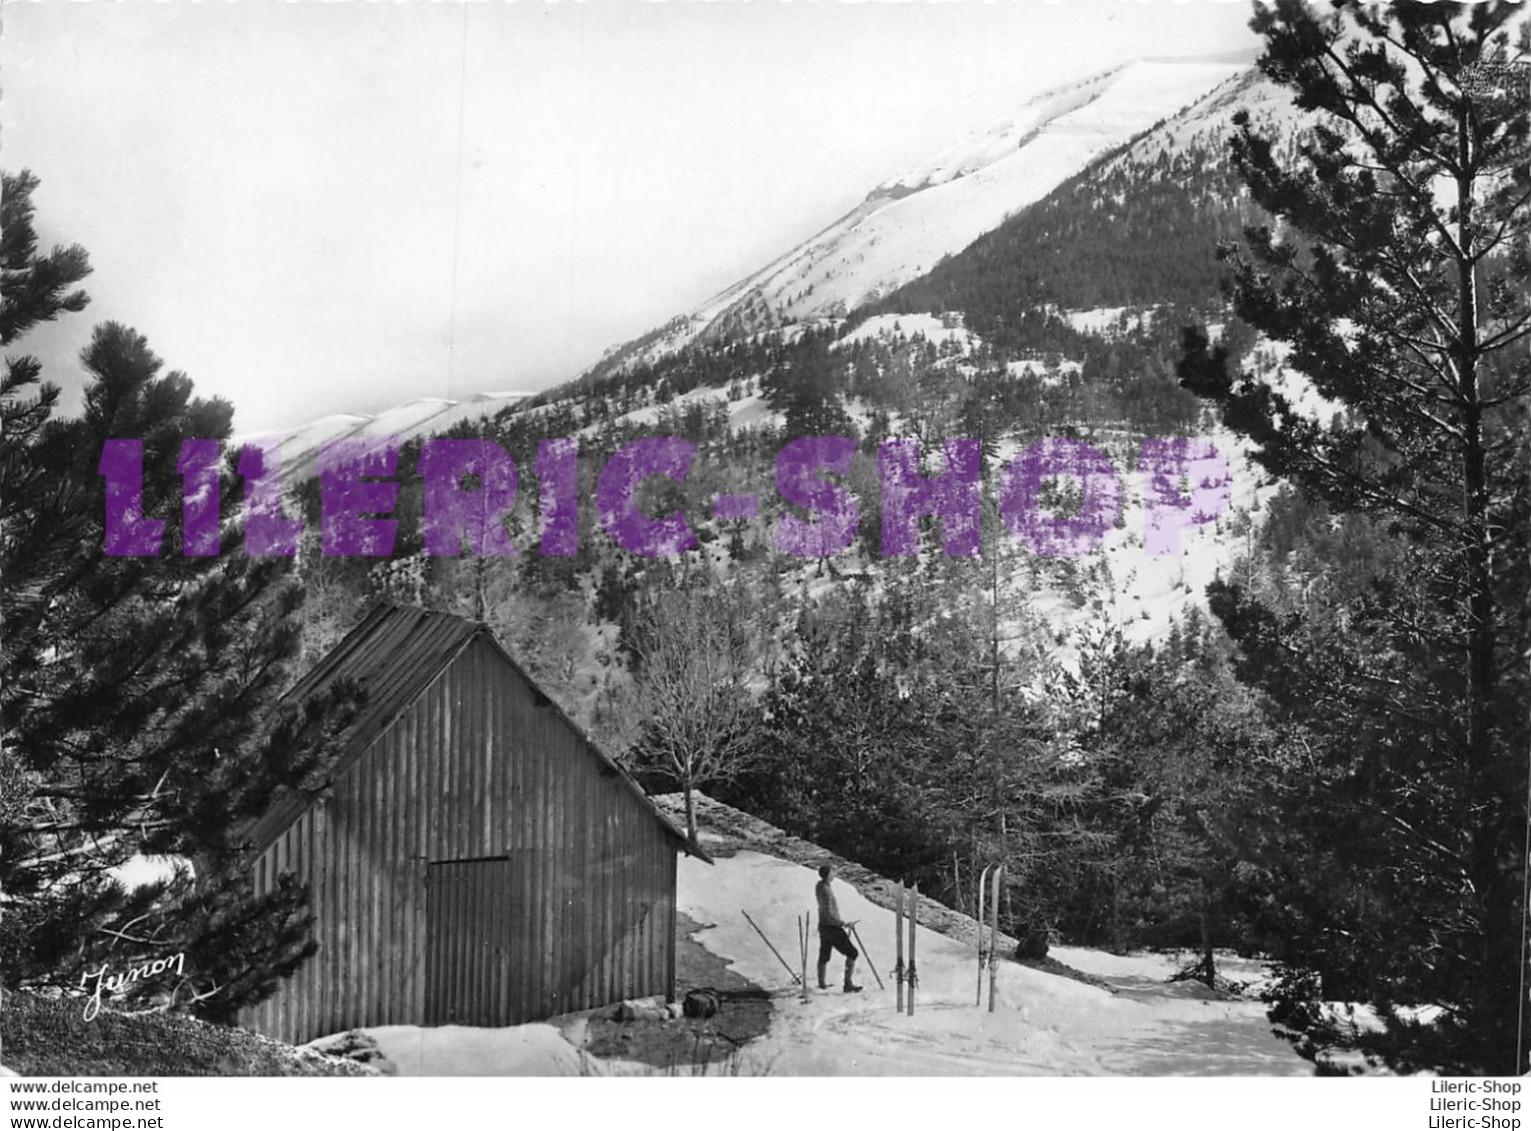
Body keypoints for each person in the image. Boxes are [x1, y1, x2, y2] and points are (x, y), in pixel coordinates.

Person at [814, 864, 863, 992]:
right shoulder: (826, 891)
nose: (834, 874)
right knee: (852, 953)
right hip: (832, 928)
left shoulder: (819, 886)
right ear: (828, 874)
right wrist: (843, 923)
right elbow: (829, 913)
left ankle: (821, 983)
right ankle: (848, 984)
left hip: (823, 926)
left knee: (824, 954)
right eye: (833, 872)